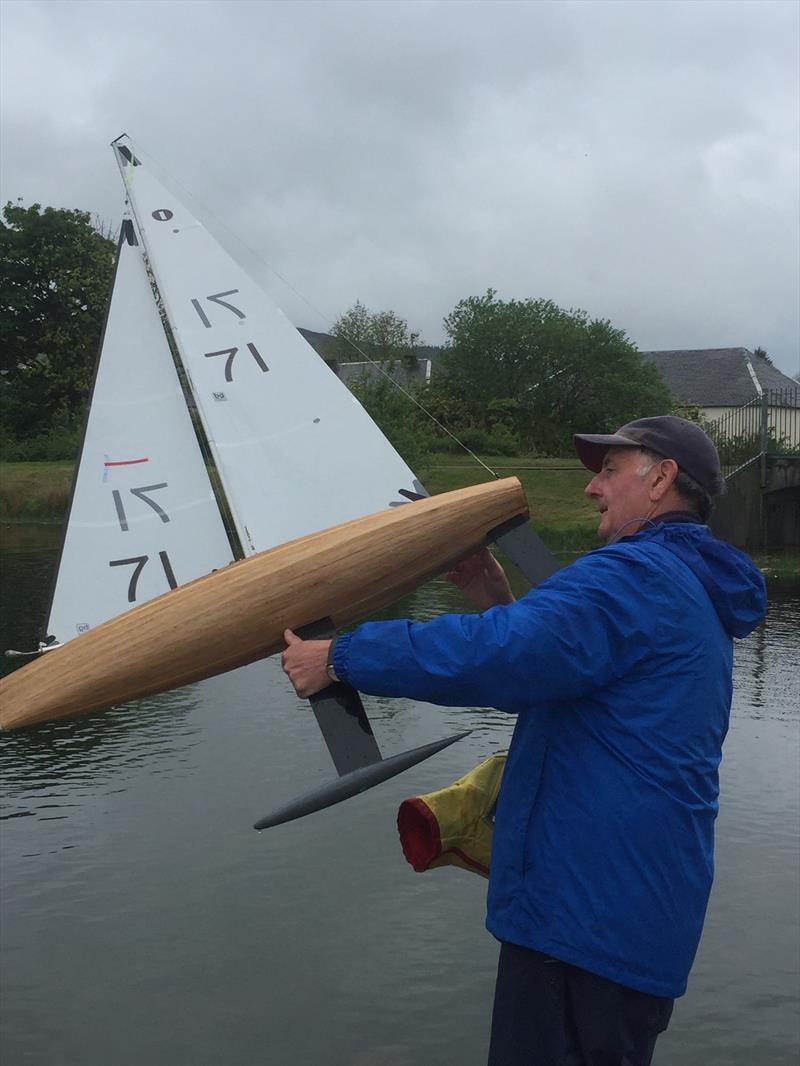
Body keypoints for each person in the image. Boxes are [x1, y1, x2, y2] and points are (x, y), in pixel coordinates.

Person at [282, 415, 767, 1066]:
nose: (593, 488)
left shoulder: (638, 578)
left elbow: (500, 656)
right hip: (623, 923)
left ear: (662, 480)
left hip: (583, 929)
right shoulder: (685, 585)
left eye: (609, 470)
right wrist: (492, 594)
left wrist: (342, 657)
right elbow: (544, 671)